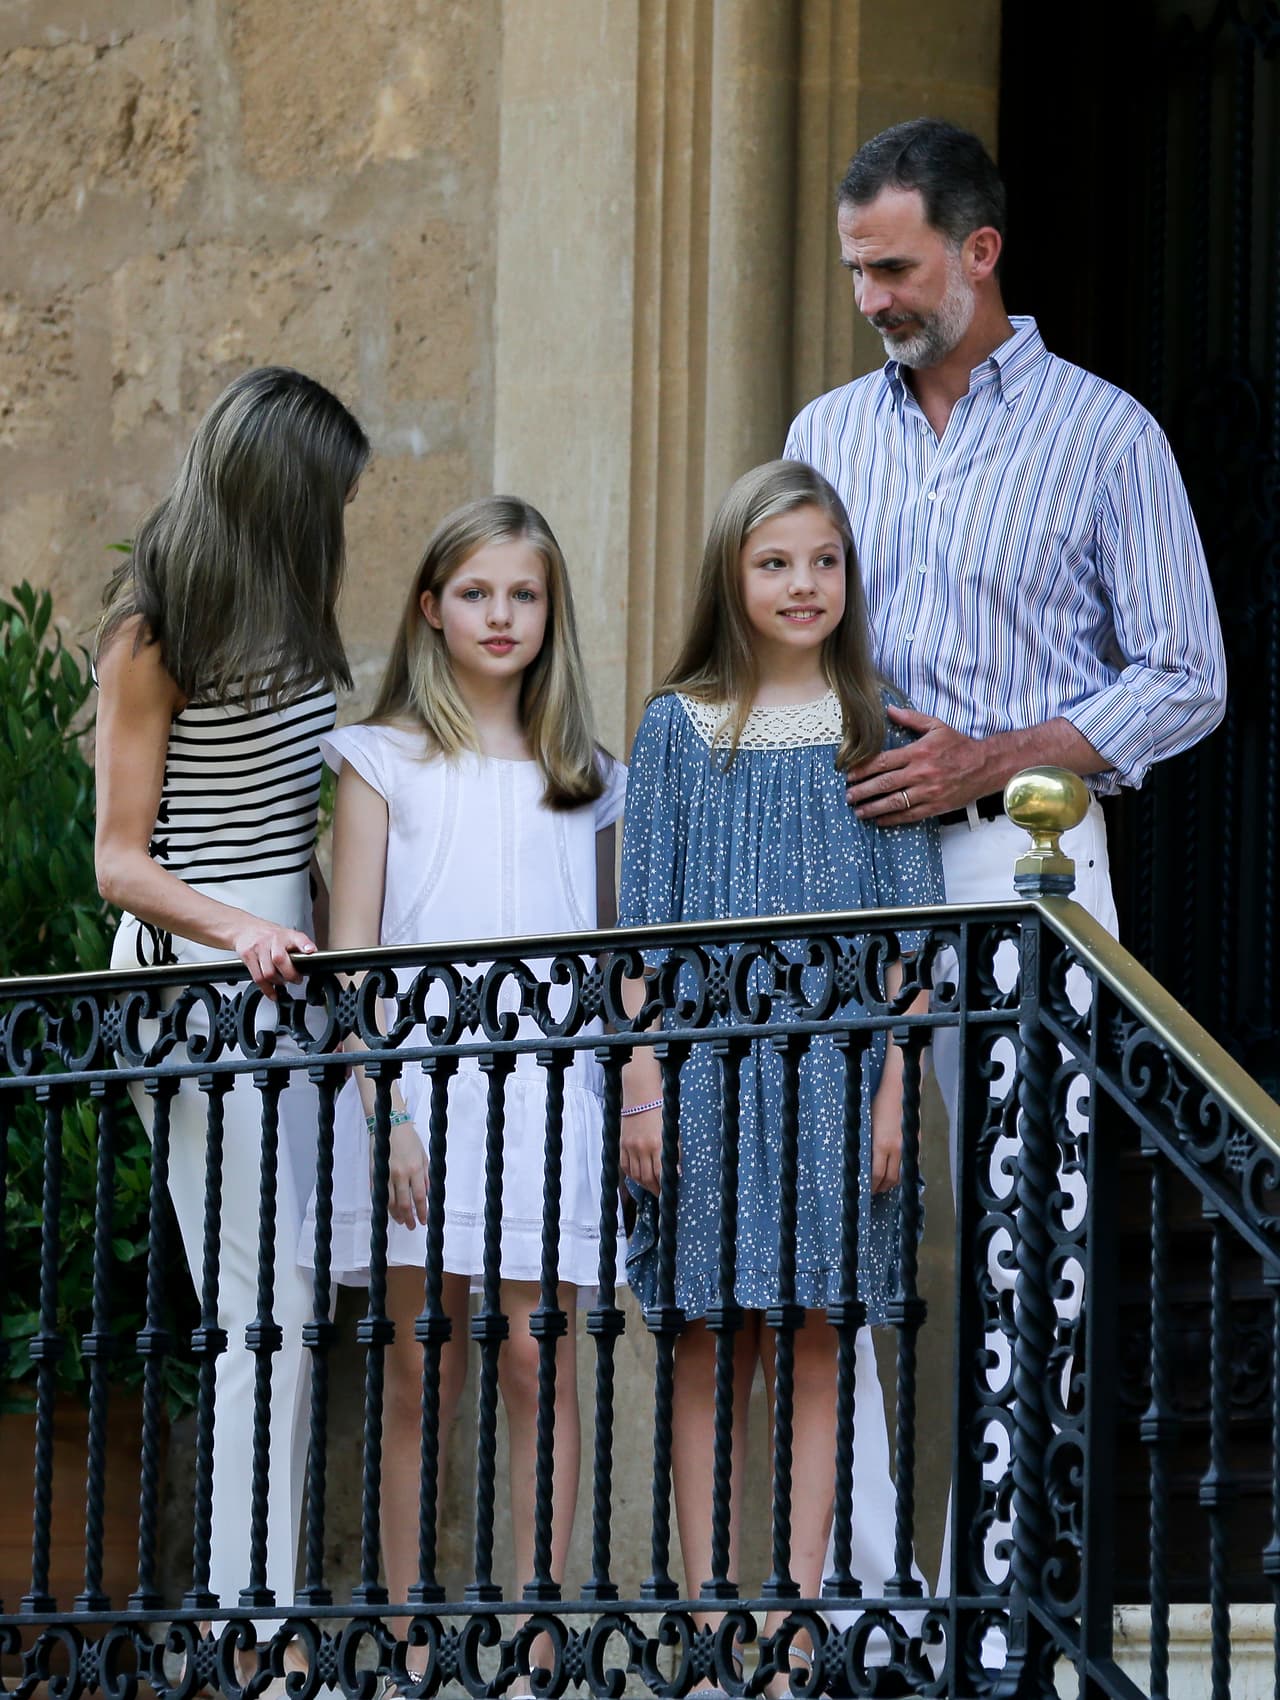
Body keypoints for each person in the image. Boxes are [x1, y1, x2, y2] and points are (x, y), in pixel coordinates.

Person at [784, 116, 1226, 1657]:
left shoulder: (1110, 436)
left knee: (1028, 1241)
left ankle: (1011, 1602)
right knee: (833, 1227)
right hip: (845, 868)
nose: (873, 299)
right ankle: (860, 1600)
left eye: (894, 267)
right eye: (855, 271)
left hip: (1026, 861)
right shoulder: (825, 431)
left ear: (979, 251)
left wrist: (1000, 756)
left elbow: (1190, 677)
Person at [618, 460, 943, 1681]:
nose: (801, 584)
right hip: (705, 1075)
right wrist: (642, 1081)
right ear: (731, 574)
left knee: (815, 1333)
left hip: (838, 1078)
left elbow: (913, 941)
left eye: (822, 561)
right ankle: (711, 1609)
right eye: (774, 562)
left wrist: (897, 1088)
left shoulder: (874, 724)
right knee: (710, 1336)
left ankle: (798, 1608)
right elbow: (641, 926)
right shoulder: (677, 726)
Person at [305, 496, 626, 1641]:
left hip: (548, 1097)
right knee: (418, 1373)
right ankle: (405, 1638)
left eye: (524, 593)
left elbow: (603, 958)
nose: (501, 614)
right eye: (477, 592)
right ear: (431, 608)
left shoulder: (587, 772)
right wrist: (384, 1105)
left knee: (540, 1366)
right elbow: (350, 960)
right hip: (413, 1099)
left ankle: (538, 1641)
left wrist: (627, 1090)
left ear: (551, 612)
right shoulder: (381, 758)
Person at [94, 367, 370, 1631]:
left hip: (289, 980)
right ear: (280, 489)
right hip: (197, 988)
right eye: (331, 492)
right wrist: (245, 927)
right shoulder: (152, 631)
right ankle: (251, 1629)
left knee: (296, 1295)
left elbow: (289, 812)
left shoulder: (294, 611)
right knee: (264, 1297)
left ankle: (252, 1609)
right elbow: (120, 857)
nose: (342, 516)